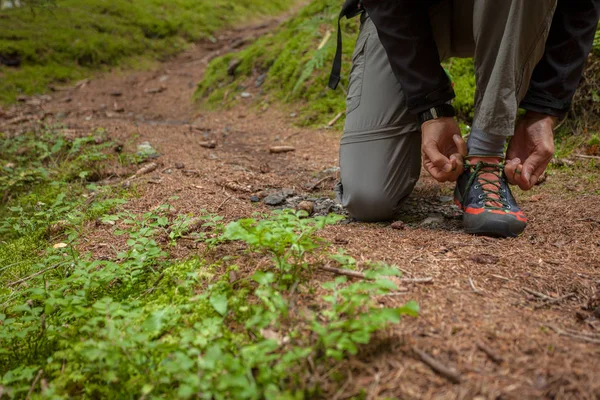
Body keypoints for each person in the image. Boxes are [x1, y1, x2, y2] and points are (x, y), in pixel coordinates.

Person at [330, 0, 600, 237]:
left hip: (507, 15)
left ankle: (485, 155)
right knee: (369, 198)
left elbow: (581, 6)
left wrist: (543, 111)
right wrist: (430, 104)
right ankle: (427, 81)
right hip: (402, 17)